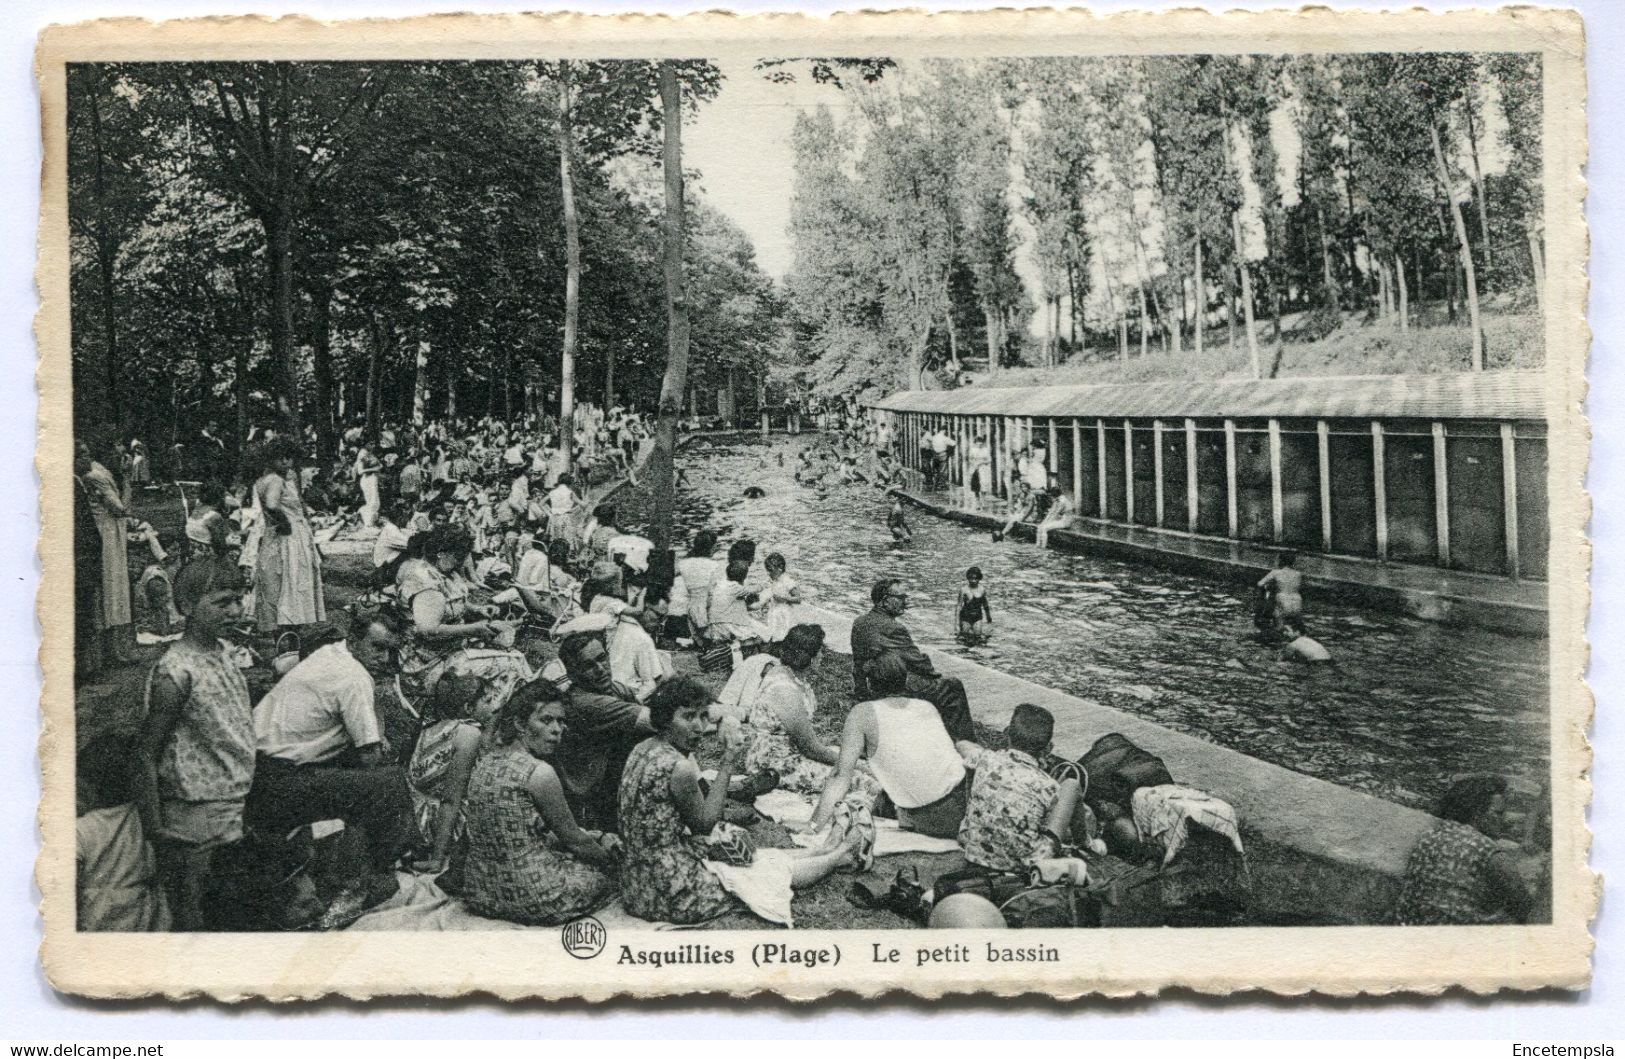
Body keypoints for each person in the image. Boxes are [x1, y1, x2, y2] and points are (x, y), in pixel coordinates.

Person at [618, 677, 871, 924]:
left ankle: (824, 849)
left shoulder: (643, 748)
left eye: (703, 716)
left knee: (750, 858)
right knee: (759, 874)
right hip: (667, 889)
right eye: (688, 717)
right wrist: (728, 760)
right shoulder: (679, 767)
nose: (698, 726)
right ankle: (842, 854)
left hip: (635, 878)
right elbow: (705, 825)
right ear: (664, 720)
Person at [247, 610, 417, 873]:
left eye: (390, 651)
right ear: (354, 639)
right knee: (390, 782)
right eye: (377, 648)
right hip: (277, 780)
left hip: (254, 765)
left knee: (357, 766)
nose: (383, 659)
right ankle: (376, 871)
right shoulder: (354, 677)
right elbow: (370, 756)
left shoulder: (331, 653)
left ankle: (350, 855)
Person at [136, 559, 253, 929]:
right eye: (221, 603)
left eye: (237, 600)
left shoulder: (223, 653)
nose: (234, 611)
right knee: (195, 909)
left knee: (228, 902)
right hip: (195, 811)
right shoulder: (176, 672)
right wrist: (155, 827)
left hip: (232, 799)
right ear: (186, 607)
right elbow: (145, 752)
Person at [460, 681, 620, 925]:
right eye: (546, 721)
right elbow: (574, 841)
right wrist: (611, 862)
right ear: (520, 724)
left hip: (481, 891)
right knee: (603, 874)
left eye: (561, 721)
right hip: (534, 895)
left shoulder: (486, 762)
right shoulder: (539, 773)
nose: (557, 730)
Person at [809, 655, 969, 840]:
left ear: (870, 683)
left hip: (927, 817)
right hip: (962, 806)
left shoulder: (862, 713)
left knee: (859, 801)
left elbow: (840, 775)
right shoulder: (926, 706)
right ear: (905, 679)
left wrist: (813, 826)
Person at [396, 525, 533, 721]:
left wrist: (476, 610)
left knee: (507, 653)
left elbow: (452, 602)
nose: (462, 563)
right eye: (459, 557)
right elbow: (428, 630)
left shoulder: (444, 572)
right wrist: (475, 629)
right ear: (441, 553)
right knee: (512, 662)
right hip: (426, 666)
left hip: (445, 653)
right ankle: (496, 720)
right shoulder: (425, 582)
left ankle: (493, 711)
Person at [957, 704, 1091, 872]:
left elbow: (962, 744)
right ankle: (1084, 842)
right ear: (1049, 748)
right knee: (1071, 785)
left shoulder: (985, 759)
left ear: (1006, 734)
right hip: (1025, 864)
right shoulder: (1049, 786)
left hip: (973, 850)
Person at [850, 578, 976, 742]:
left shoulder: (859, 622)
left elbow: (859, 661)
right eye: (901, 598)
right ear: (885, 601)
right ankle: (963, 742)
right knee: (952, 686)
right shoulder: (894, 628)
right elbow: (920, 663)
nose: (905, 603)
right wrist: (934, 674)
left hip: (869, 684)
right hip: (893, 685)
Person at [1396, 777, 1535, 925]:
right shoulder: (1487, 849)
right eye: (1498, 813)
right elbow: (1524, 904)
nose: (1505, 819)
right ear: (1476, 813)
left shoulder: (1430, 835)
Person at [557, 630, 653, 830]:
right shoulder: (585, 702)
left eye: (602, 659)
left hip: (610, 782)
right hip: (591, 799)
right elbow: (658, 721)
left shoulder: (613, 689)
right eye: (588, 666)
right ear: (573, 675)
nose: (600, 669)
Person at [78, 735, 171, 932]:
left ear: (88, 783)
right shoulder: (143, 817)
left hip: (98, 915)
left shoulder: (82, 829)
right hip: (144, 914)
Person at [403, 673, 487, 876]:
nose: (493, 706)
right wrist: (438, 858)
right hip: (440, 824)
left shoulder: (429, 729)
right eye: (487, 700)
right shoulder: (468, 733)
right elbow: (451, 800)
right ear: (468, 708)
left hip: (416, 818)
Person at [252, 439, 326, 633]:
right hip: (287, 537)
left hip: (289, 536)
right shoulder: (275, 480)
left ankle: (290, 631)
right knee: (289, 583)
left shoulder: (283, 478)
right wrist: (284, 523)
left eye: (289, 457)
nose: (285, 462)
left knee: (284, 583)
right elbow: (272, 505)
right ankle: (289, 631)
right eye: (280, 458)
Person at [76, 437, 135, 664]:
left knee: (115, 588)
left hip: (112, 533)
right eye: (118, 454)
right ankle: (111, 650)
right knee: (111, 589)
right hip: (106, 535)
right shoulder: (95, 476)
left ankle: (114, 648)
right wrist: (128, 478)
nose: (122, 459)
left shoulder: (101, 471)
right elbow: (122, 508)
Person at [608, 583, 671, 701]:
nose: (661, 623)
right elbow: (652, 683)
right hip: (627, 695)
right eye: (659, 616)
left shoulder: (616, 624)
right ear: (644, 608)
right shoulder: (642, 638)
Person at [706, 559, 768, 644]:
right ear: (742, 578)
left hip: (715, 624)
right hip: (727, 623)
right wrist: (763, 585)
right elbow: (753, 589)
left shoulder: (720, 584)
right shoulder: (735, 587)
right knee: (758, 638)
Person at [677, 530, 721, 640]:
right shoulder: (714, 566)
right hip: (707, 607)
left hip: (691, 606)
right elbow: (714, 591)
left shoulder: (683, 564)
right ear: (711, 547)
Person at [1256, 550, 1304, 634]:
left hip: (1282, 603)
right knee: (1297, 631)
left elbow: (1260, 584)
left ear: (1280, 560)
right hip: (1297, 604)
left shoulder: (1276, 572)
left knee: (1278, 629)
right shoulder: (1298, 574)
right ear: (1293, 562)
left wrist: (1267, 591)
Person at [184, 481, 234, 561]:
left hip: (192, 555)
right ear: (220, 498)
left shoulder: (196, 510)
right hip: (207, 559)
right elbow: (220, 546)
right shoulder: (214, 516)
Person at [762, 552, 804, 643]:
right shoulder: (774, 580)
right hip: (775, 610)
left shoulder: (787, 580)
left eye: (770, 570)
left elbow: (798, 599)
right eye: (767, 570)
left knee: (784, 632)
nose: (768, 573)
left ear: (780, 569)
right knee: (774, 630)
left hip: (784, 611)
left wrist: (784, 598)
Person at [956, 566, 993, 644]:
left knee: (978, 636)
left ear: (979, 578)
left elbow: (985, 605)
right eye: (971, 578)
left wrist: (989, 617)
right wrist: (956, 624)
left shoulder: (982, 589)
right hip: (965, 617)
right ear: (968, 578)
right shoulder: (964, 590)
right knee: (964, 637)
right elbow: (959, 606)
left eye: (975, 578)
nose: (973, 581)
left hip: (977, 616)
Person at [1035, 483, 1074, 549]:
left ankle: (1043, 547)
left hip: (1066, 521)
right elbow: (1051, 512)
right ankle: (1037, 545)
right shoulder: (1057, 500)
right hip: (1060, 519)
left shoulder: (1062, 501)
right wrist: (1044, 522)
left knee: (1044, 528)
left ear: (1055, 494)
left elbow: (1055, 513)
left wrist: (1047, 523)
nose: (1050, 496)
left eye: (1051, 494)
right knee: (1040, 527)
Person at [354, 445, 383, 528]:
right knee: (372, 502)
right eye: (371, 443)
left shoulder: (370, 453)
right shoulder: (363, 453)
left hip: (372, 478)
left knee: (374, 502)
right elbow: (360, 471)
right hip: (367, 480)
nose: (373, 445)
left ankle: (370, 522)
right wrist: (374, 469)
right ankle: (368, 523)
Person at [967, 434, 992, 508]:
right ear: (975, 442)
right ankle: (978, 502)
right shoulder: (972, 450)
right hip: (975, 468)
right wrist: (974, 464)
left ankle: (983, 501)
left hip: (983, 469)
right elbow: (970, 459)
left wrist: (982, 462)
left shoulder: (986, 450)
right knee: (976, 486)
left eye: (981, 442)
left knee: (983, 485)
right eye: (978, 442)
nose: (979, 443)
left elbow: (989, 459)